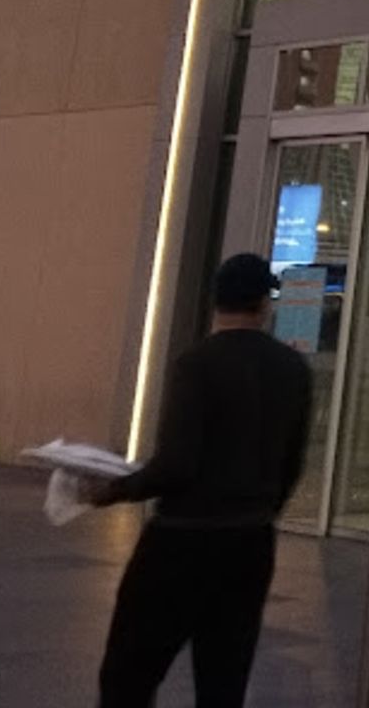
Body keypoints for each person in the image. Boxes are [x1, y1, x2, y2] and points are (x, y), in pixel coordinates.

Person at [91, 253, 313, 708]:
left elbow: (176, 464)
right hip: (250, 541)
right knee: (223, 678)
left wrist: (116, 489)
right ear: (263, 305)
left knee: (129, 673)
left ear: (216, 301)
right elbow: (293, 461)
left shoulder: (196, 364)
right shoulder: (293, 370)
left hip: (181, 541)